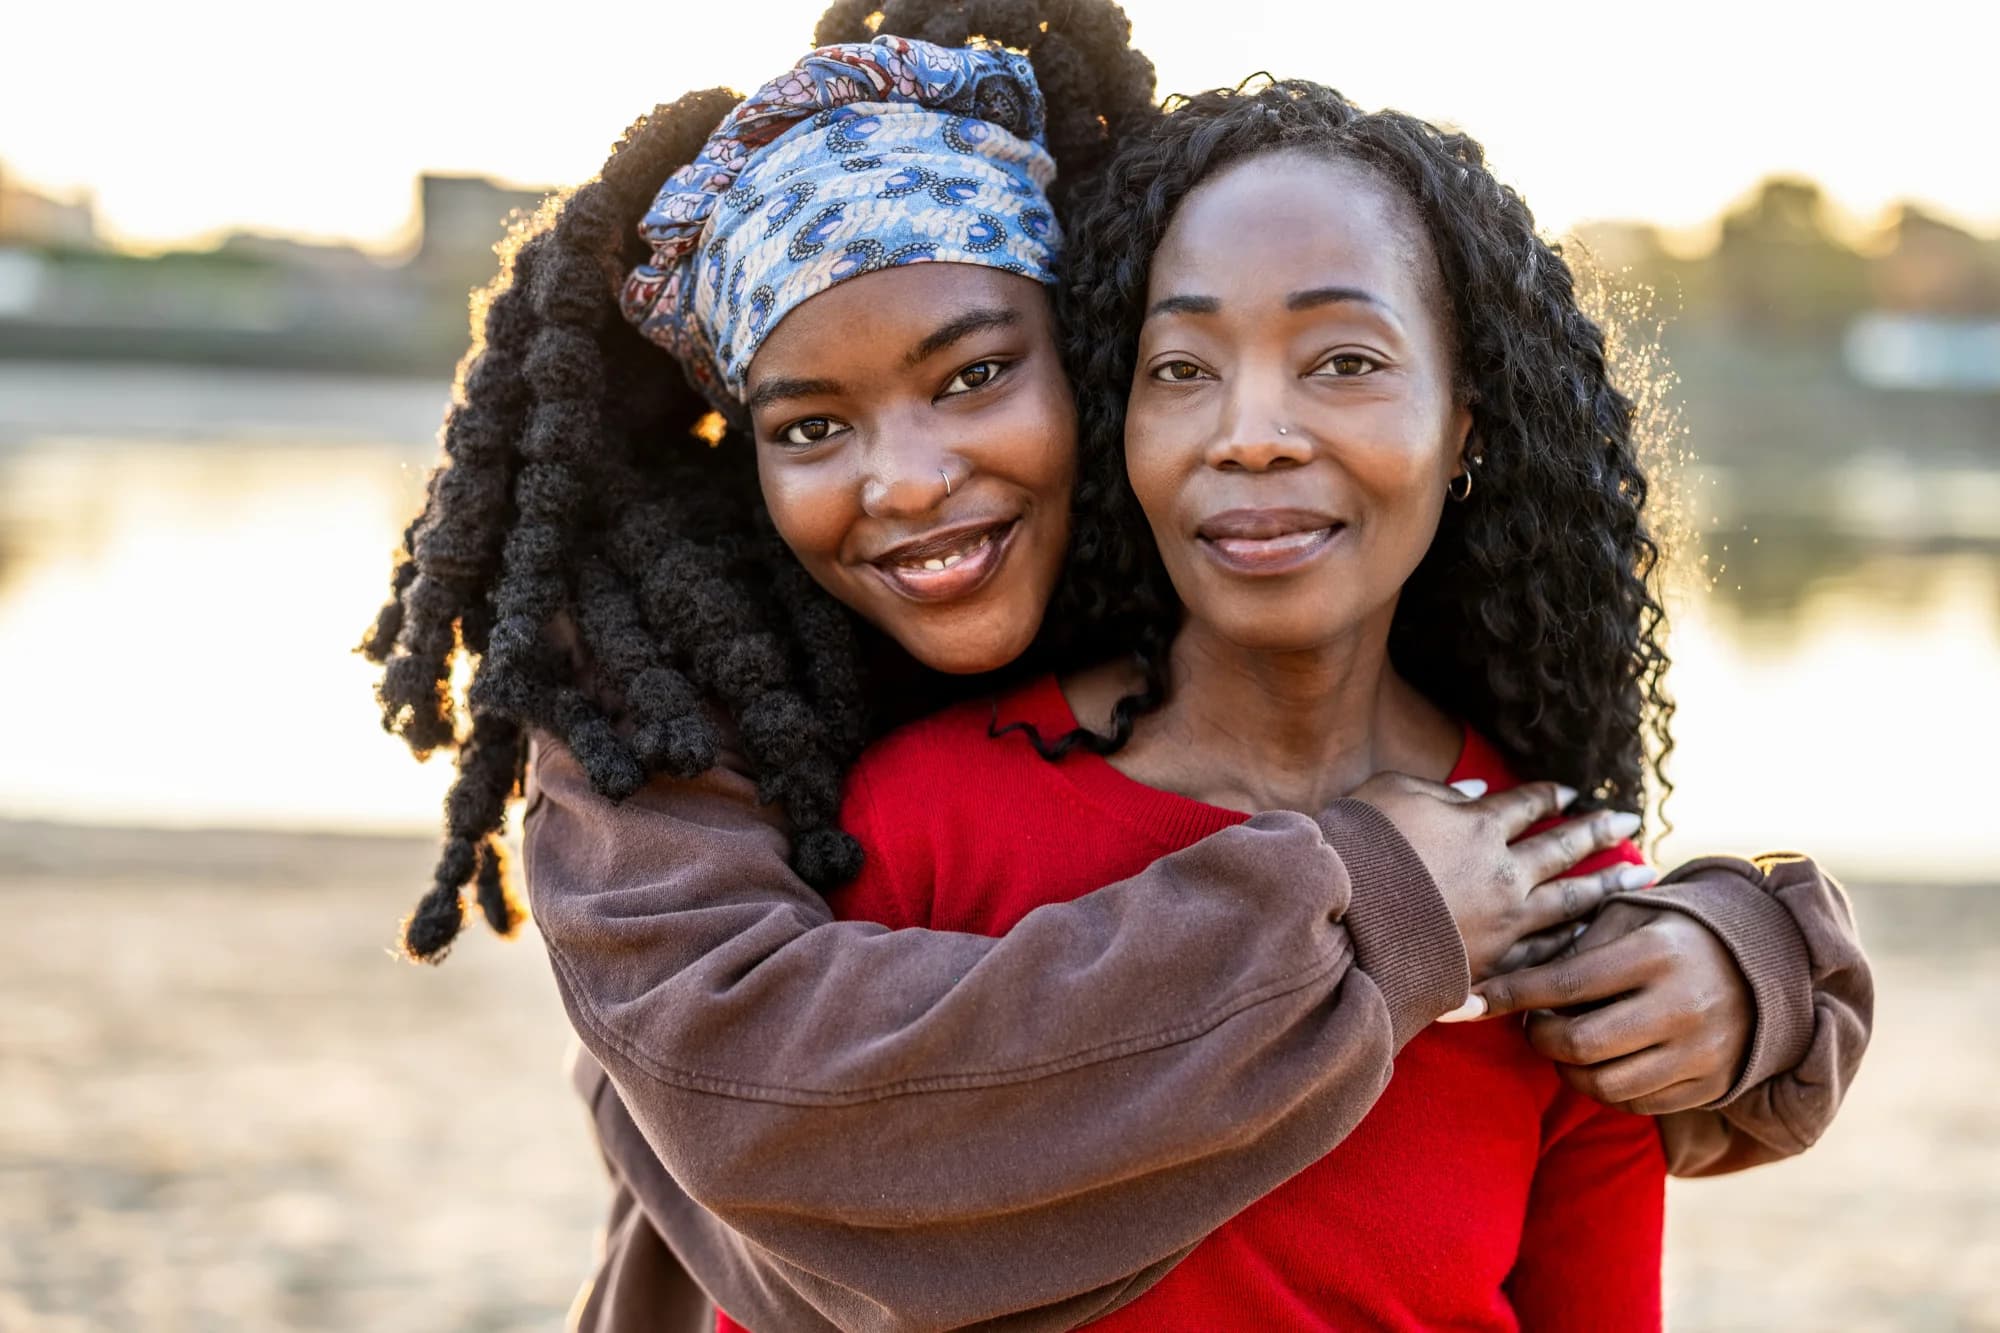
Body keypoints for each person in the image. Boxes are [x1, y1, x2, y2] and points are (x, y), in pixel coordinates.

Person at [359, 4, 1871, 1328]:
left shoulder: (1517, 851)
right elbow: (790, 1136)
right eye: (812, 425)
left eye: (976, 374)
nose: (911, 477)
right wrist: (1383, 908)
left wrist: (1750, 959)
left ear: (1082, 364)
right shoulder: (715, 728)